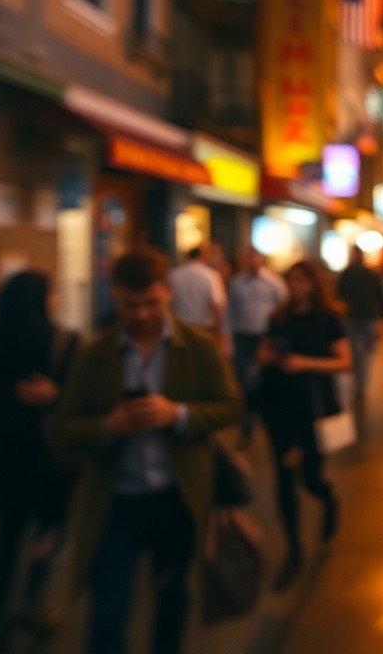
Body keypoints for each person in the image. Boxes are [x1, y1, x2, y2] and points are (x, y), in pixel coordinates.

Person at [48, 248, 240, 654]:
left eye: (150, 303)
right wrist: (107, 427)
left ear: (167, 293)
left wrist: (180, 414)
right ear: (113, 296)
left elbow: (229, 406)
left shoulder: (199, 348)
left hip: (177, 498)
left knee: (171, 600)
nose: (139, 315)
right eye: (129, 304)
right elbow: (63, 427)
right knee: (107, 615)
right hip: (115, 502)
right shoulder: (94, 355)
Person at [0, 272, 78, 649]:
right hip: (48, 457)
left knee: (8, 530)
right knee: (51, 526)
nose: (55, 300)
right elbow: (83, 401)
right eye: (52, 293)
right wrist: (55, 396)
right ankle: (33, 598)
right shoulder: (63, 342)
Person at [255, 260, 350, 591]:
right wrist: (267, 357)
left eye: (302, 281)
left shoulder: (327, 319)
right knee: (282, 480)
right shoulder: (278, 316)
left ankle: (328, 499)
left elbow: (344, 361)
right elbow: (263, 351)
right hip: (278, 406)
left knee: (309, 476)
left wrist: (305, 363)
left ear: (314, 284)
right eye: (291, 280)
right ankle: (293, 550)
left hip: (313, 408)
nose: (296, 287)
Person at [228, 248, 288, 440]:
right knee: (244, 381)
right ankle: (247, 426)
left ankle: (266, 417)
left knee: (264, 379)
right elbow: (230, 309)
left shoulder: (273, 282)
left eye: (255, 258)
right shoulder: (237, 282)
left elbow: (284, 304)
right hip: (242, 337)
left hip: (265, 338)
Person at [336, 246, 383, 401]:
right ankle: (361, 386)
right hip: (369, 317)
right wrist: (382, 320)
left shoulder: (346, 274)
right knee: (366, 354)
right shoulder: (371, 274)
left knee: (353, 353)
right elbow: (381, 298)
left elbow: (339, 296)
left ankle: (355, 384)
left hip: (351, 317)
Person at [169, 246, 226, 334]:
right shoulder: (211, 275)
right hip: (204, 328)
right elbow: (216, 304)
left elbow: (169, 302)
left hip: (181, 328)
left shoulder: (174, 275)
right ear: (203, 256)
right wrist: (220, 330)